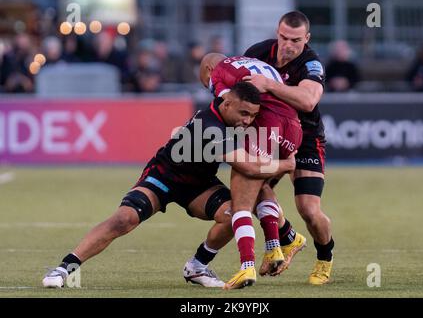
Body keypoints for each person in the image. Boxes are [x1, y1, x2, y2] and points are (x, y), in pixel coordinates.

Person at [42, 82, 296, 288]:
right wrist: (286, 165)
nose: (248, 121)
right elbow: (249, 167)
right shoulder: (211, 126)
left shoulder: (227, 117)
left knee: (234, 216)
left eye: (252, 115)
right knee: (124, 219)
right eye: (244, 114)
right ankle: (65, 268)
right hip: (164, 176)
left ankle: (197, 267)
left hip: (199, 185)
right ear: (226, 103)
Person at [197, 53, 306, 289]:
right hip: (294, 128)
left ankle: (247, 267)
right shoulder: (255, 63)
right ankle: (276, 246)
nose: (208, 85)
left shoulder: (219, 72)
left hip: (268, 126)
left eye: (204, 81)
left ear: (207, 68)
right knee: (261, 185)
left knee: (241, 202)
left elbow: (230, 107)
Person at [243, 10, 334, 285]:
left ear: (306, 38)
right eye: (283, 37)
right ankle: (288, 237)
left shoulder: (311, 64)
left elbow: (307, 101)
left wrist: (269, 85)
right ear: (277, 33)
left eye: (295, 39)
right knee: (251, 187)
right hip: (270, 136)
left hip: (305, 138)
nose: (288, 44)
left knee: (308, 208)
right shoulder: (257, 53)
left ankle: (324, 258)